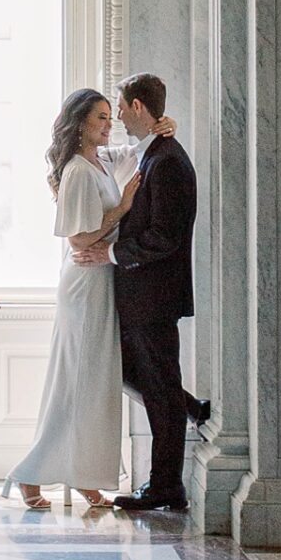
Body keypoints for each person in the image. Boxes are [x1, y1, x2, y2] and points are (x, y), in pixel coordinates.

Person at [0, 87, 136, 514]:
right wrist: (124, 206)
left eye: (110, 117)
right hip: (85, 284)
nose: (108, 124)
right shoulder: (78, 170)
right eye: (100, 117)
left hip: (101, 280)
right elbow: (80, 238)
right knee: (76, 382)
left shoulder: (99, 160)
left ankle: (85, 475)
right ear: (79, 123)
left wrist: (169, 125)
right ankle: (31, 472)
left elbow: (136, 148)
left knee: (94, 384)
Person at [79, 71, 209, 515]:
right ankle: (191, 410)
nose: (115, 116)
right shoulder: (147, 153)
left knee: (158, 392)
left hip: (153, 298)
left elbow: (164, 238)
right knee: (151, 384)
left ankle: (165, 486)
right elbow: (101, 153)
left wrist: (110, 254)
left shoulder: (168, 161)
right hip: (140, 298)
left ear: (137, 106)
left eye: (118, 106)